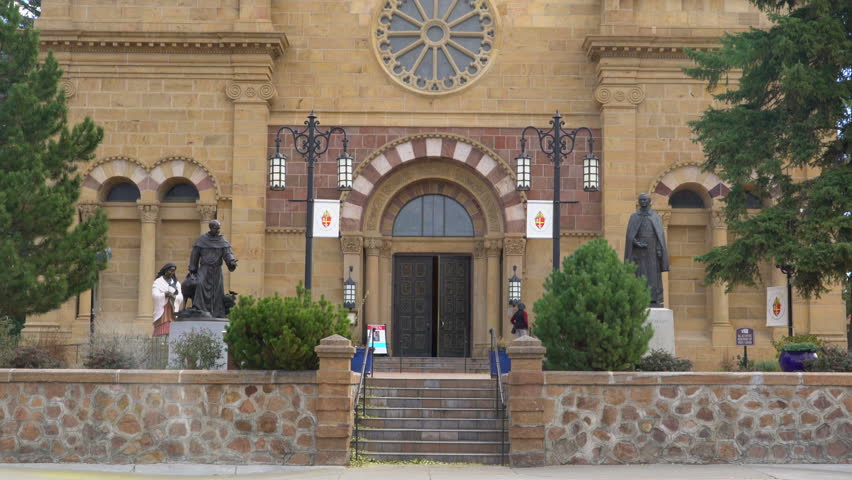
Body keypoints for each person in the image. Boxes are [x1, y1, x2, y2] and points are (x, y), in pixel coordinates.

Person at [624, 193, 670, 307]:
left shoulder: (655, 216)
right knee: (640, 273)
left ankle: (654, 299)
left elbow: (659, 235)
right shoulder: (634, 217)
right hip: (639, 251)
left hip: (652, 249)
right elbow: (630, 236)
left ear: (649, 201)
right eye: (641, 200)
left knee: (653, 274)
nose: (643, 202)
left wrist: (659, 249)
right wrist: (637, 243)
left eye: (645, 200)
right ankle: (640, 297)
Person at [186, 219, 238, 318]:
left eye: (219, 229)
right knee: (200, 284)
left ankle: (217, 312)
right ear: (211, 228)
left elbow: (228, 253)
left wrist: (231, 261)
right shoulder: (201, 240)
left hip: (217, 270)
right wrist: (193, 269)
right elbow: (195, 255)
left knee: (217, 291)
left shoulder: (222, 240)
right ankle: (199, 309)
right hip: (204, 269)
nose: (218, 231)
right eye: (216, 229)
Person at [152, 263, 183, 336]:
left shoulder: (176, 283)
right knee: (163, 326)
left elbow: (180, 296)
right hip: (162, 309)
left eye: (173, 271)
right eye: (170, 270)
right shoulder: (158, 282)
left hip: (172, 308)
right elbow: (155, 295)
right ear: (166, 270)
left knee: (172, 325)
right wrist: (164, 294)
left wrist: (173, 296)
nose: (172, 273)